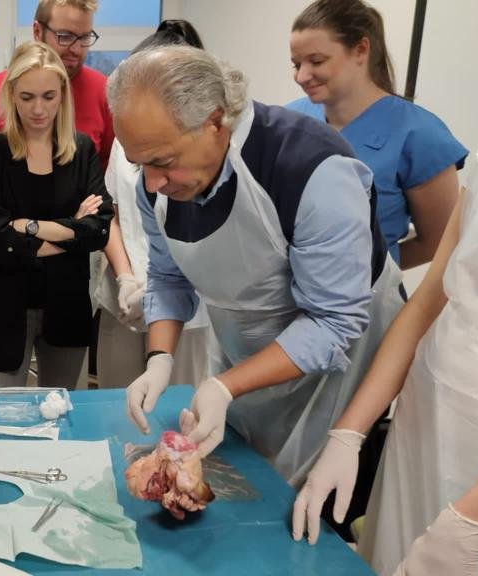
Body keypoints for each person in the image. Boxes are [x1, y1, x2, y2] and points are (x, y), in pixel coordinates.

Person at [110, 45, 405, 491]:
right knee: (244, 479)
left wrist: (227, 386)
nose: (152, 183)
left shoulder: (311, 169)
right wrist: (160, 359)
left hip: (336, 369)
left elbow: (332, 321)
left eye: (162, 162)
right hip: (243, 353)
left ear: (215, 121)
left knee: (309, 507)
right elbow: (169, 277)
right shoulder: (156, 183)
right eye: (139, 164)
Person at [292, 3, 478, 572]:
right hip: (431, 402)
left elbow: (423, 248)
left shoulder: (415, 129)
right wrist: (350, 433)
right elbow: (428, 300)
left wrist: (475, 520)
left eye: (317, 59)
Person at [0, 41, 112, 393]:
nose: (38, 109)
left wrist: (29, 227)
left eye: (48, 96)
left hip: (66, 301)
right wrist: (72, 234)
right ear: (11, 95)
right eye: (27, 96)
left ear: (62, 95)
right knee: (0, 417)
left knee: (63, 415)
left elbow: (99, 231)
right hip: (2, 304)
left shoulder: (82, 151)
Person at [288, 0, 466, 270]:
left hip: (366, 305)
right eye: (296, 64)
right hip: (283, 298)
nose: (302, 76)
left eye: (316, 61)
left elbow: (439, 242)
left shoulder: (419, 135)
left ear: (360, 50)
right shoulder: (288, 121)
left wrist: (370, 270)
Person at [97, 19, 216, 391]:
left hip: (189, 310)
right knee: (118, 404)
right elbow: (113, 213)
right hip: (125, 297)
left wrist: (155, 291)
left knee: (177, 414)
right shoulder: (126, 141)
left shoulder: (208, 151)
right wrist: (126, 279)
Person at [0, 0, 112, 173]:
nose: (77, 49)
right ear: (37, 31)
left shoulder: (104, 92)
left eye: (85, 37)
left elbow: (109, 176)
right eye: (65, 36)